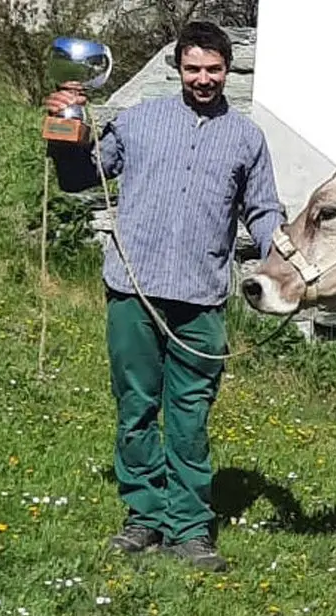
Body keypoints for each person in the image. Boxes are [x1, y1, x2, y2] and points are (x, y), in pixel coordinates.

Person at [43, 21, 285, 572]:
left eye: (214, 69)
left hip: (200, 301)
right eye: (193, 68)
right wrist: (65, 133)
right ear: (178, 67)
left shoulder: (247, 138)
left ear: (228, 70)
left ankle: (190, 527)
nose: (203, 79)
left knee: (190, 418)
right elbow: (85, 178)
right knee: (135, 410)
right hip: (133, 291)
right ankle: (144, 517)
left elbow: (264, 210)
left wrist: (281, 258)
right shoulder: (138, 120)